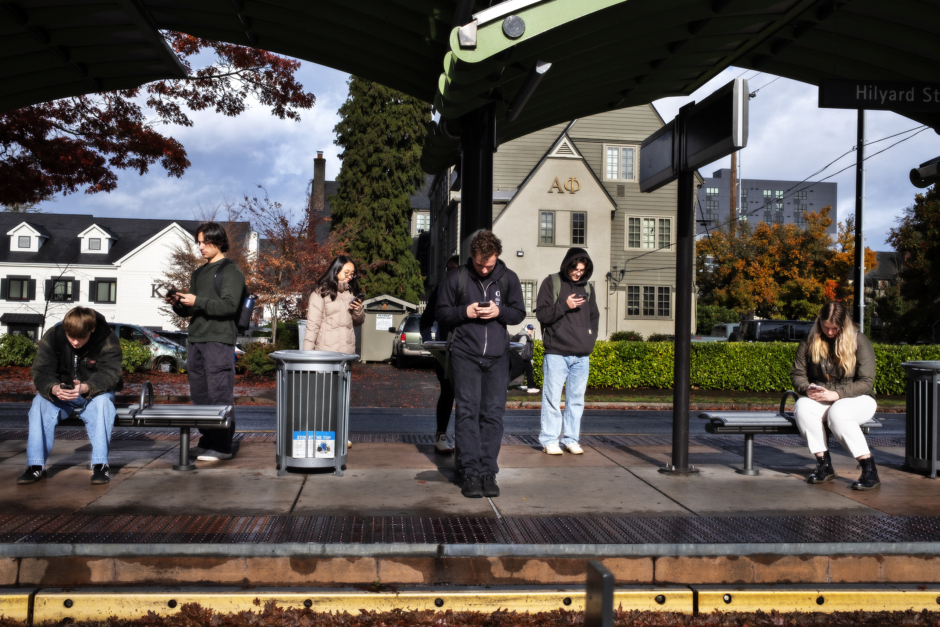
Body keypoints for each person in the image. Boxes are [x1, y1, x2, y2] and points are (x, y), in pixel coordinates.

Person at [436, 230, 526, 499]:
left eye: (489, 264)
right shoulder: (457, 278)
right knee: (466, 413)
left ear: (497, 256)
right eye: (479, 264)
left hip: (498, 357)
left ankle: (488, 472)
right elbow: (441, 312)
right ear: (472, 256)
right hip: (465, 355)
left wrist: (500, 311)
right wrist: (465, 311)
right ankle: (470, 472)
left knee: (493, 415)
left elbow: (519, 313)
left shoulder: (509, 278)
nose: (485, 269)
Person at [18, 306, 123, 485]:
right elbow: (41, 371)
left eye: (80, 337)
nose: (75, 342)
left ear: (91, 329)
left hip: (94, 393)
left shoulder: (107, 338)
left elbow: (110, 373)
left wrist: (86, 387)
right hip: (61, 394)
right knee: (39, 403)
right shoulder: (53, 336)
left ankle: (100, 464)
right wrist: (53, 388)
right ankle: (35, 465)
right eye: (71, 336)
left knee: (103, 404)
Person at [167, 222, 245, 461]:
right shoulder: (198, 273)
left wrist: (197, 301)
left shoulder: (231, 270)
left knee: (219, 394)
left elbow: (229, 306)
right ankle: (208, 441)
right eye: (198, 242)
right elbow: (194, 309)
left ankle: (222, 447)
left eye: (205, 242)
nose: (200, 247)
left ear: (219, 241)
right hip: (196, 339)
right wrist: (179, 304)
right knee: (200, 396)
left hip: (219, 339)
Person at [790, 301, 879, 490]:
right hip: (823, 396)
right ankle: (824, 464)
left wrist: (836, 394)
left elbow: (866, 382)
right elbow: (797, 374)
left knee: (838, 413)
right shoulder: (809, 340)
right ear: (819, 322)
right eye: (825, 327)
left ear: (844, 325)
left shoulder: (859, 340)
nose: (830, 332)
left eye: (835, 328)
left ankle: (869, 468)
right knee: (802, 407)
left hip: (859, 398)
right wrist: (806, 389)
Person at [535, 248, 600, 455]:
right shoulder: (551, 282)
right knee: (552, 399)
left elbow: (594, 317)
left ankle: (571, 439)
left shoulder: (588, 288)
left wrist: (590, 339)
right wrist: (565, 305)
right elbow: (542, 314)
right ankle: (550, 440)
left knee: (577, 400)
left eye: (582, 270)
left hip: (582, 354)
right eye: (575, 269)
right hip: (557, 352)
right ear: (567, 265)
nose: (578, 273)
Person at [303, 255, 366, 450]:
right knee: (324, 399)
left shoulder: (351, 293)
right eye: (346, 272)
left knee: (342, 398)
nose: (349, 276)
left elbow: (358, 321)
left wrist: (358, 309)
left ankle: (341, 435)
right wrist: (306, 355)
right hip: (325, 354)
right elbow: (312, 326)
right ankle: (323, 438)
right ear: (335, 270)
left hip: (345, 354)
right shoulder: (320, 293)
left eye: (352, 273)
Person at [420, 254, 460, 454]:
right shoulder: (440, 291)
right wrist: (430, 343)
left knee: (468, 396)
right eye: (448, 269)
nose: (451, 273)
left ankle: (466, 440)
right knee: (448, 392)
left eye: (455, 269)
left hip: (468, 350)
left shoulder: (471, 290)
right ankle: (441, 437)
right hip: (445, 350)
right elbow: (425, 320)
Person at [510, 324, 539, 393]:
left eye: (532, 329)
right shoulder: (524, 336)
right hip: (523, 358)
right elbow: (521, 345)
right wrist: (518, 356)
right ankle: (530, 387)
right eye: (530, 329)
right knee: (528, 372)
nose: (531, 331)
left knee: (518, 372)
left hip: (523, 358)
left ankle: (531, 386)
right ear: (526, 329)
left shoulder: (523, 335)